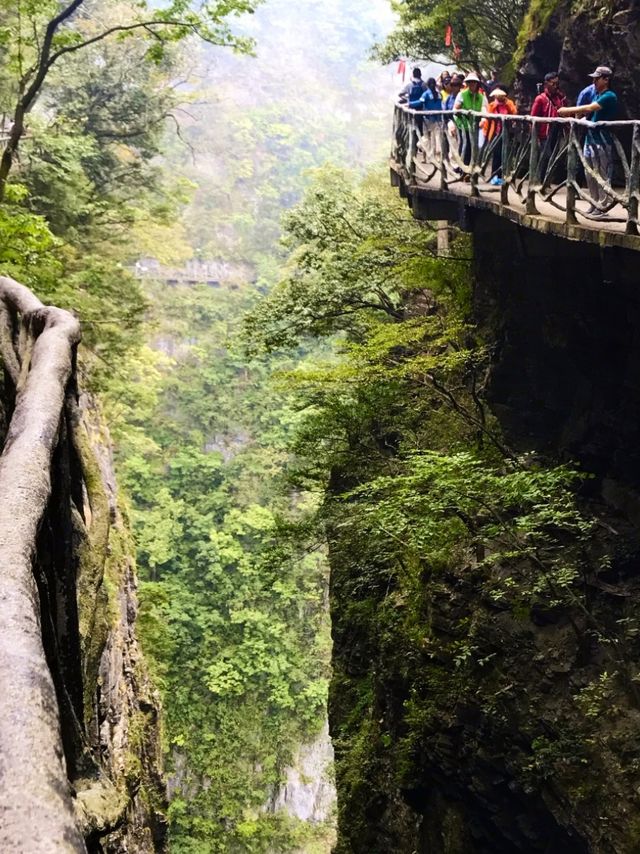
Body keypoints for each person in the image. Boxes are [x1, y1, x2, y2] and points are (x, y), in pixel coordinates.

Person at [558, 65, 617, 216]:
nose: (594, 81)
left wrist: (568, 110)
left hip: (602, 141)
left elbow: (591, 108)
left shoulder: (609, 96)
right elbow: (588, 116)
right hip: (590, 140)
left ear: (606, 79)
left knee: (601, 175)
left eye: (597, 78)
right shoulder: (597, 94)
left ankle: (603, 207)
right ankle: (594, 202)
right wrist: (574, 119)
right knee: (589, 174)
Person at [530, 71, 567, 184]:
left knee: (554, 156)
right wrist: (534, 136)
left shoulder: (559, 98)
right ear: (546, 83)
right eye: (553, 83)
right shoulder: (540, 99)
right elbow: (533, 117)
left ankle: (546, 181)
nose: (556, 86)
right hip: (544, 132)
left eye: (557, 84)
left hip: (556, 131)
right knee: (546, 156)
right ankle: (540, 181)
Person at [480, 88, 517, 185]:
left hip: (506, 133)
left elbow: (514, 112)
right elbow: (488, 118)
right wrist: (485, 132)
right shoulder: (492, 105)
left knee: (504, 155)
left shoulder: (509, 103)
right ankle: (494, 175)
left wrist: (506, 103)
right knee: (496, 155)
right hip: (495, 133)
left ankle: (502, 176)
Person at [454, 72, 488, 169]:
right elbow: (456, 109)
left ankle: (470, 168)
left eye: (474, 82)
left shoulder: (481, 97)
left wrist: (483, 119)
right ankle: (463, 168)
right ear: (467, 83)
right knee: (466, 145)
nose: (472, 84)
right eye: (470, 82)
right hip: (463, 125)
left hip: (475, 126)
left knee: (474, 146)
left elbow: (484, 109)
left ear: (477, 83)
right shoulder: (462, 94)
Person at [410, 77, 443, 158]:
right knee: (436, 137)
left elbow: (420, 102)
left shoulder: (426, 94)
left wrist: (409, 104)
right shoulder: (439, 94)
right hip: (438, 119)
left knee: (426, 137)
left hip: (428, 119)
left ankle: (424, 149)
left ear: (427, 85)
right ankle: (437, 155)